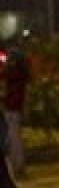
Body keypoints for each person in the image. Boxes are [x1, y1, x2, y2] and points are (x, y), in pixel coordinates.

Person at [2, 46, 30, 176]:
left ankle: (18, 166)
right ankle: (17, 166)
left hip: (13, 108)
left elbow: (5, 75)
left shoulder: (15, 73)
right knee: (13, 137)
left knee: (14, 138)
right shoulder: (20, 72)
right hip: (14, 108)